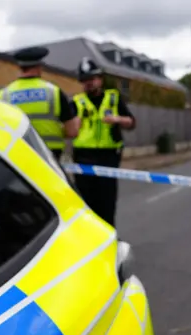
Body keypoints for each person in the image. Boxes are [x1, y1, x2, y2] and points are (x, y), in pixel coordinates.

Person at [70, 57, 136, 227]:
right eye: (84, 80)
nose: (88, 83)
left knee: (107, 202)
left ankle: (109, 236)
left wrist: (117, 119)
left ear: (100, 79)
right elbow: (69, 130)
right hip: (84, 157)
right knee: (87, 203)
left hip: (108, 157)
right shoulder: (76, 102)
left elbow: (131, 122)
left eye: (91, 79)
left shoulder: (113, 98)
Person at [0, 46, 79, 161]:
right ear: (39, 67)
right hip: (49, 154)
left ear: (20, 67)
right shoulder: (53, 92)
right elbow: (72, 131)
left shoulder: (4, 94)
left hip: (18, 152)